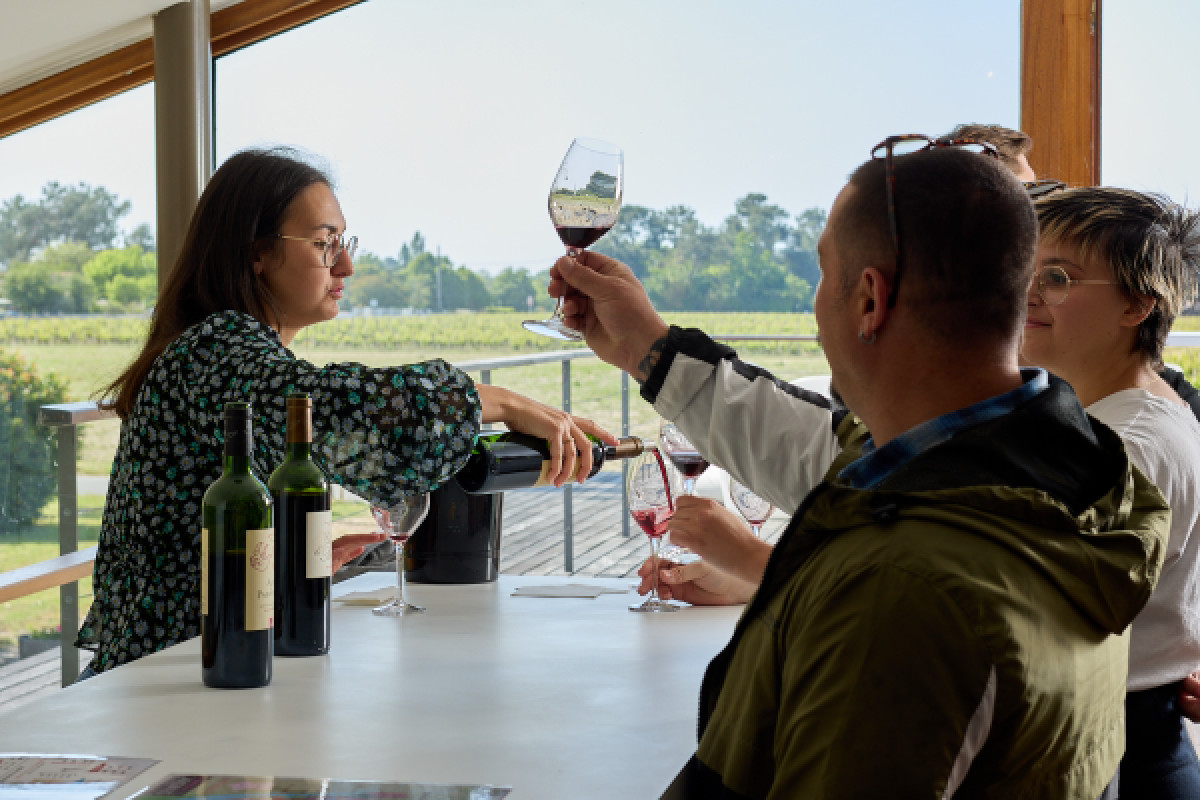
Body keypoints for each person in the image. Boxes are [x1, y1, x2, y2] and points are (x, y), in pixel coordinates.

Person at [551, 141, 1168, 798]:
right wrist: (649, 349)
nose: (818, 305)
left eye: (823, 274)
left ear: (870, 299)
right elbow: (810, 442)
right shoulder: (1067, 476)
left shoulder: (900, 593)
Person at [77, 147, 614, 675]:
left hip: (207, 672)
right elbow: (334, 409)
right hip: (163, 687)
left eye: (344, 242)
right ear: (256, 253)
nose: (348, 265)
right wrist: (496, 402)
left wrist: (286, 565)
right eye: (324, 244)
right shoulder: (212, 349)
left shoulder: (233, 353)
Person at [1021, 187, 1200, 798]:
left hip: (1121, 750)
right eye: (1025, 268)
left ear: (1136, 305)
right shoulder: (1139, 414)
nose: (1028, 291)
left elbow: (1019, 601)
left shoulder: (1128, 442)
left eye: (1057, 277)